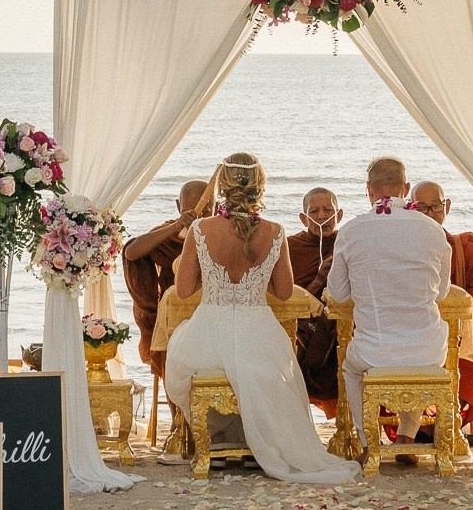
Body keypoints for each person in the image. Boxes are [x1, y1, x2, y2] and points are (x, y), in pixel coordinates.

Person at [162, 153, 360, 483]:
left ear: (222, 187)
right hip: (259, 331)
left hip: (209, 331)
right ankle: (258, 446)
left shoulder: (201, 229)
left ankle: (219, 446)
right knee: (262, 366)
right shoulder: (275, 232)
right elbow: (283, 292)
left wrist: (210, 277)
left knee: (185, 350)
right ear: (260, 186)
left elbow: (182, 291)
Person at [327, 157, 450, 446]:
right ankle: (406, 434)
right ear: (406, 188)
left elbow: (338, 293)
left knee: (350, 368)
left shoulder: (351, 231)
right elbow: (441, 293)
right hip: (429, 351)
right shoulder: (434, 231)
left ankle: (367, 442)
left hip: (374, 352)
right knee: (421, 345)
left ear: (368, 189)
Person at [409, 181, 473, 436]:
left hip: (457, 333)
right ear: (411, 209)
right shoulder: (404, 249)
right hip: (413, 332)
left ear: (446, 207)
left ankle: (450, 422)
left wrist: (456, 316)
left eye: (435, 206)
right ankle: (413, 427)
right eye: (422, 207)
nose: (429, 214)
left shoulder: (464, 246)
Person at [122, 179, 208, 378]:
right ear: (178, 207)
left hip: (210, 313)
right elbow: (131, 252)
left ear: (216, 208)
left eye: (205, 210)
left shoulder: (219, 233)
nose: (196, 217)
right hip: (174, 317)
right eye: (189, 211)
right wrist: (177, 226)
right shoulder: (169, 232)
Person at [286, 186, 344, 415]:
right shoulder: (291, 247)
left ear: (339, 215)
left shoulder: (347, 243)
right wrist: (320, 279)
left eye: (328, 210)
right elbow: (284, 298)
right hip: (301, 328)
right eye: (315, 211)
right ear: (303, 218)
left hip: (338, 327)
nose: (322, 216)